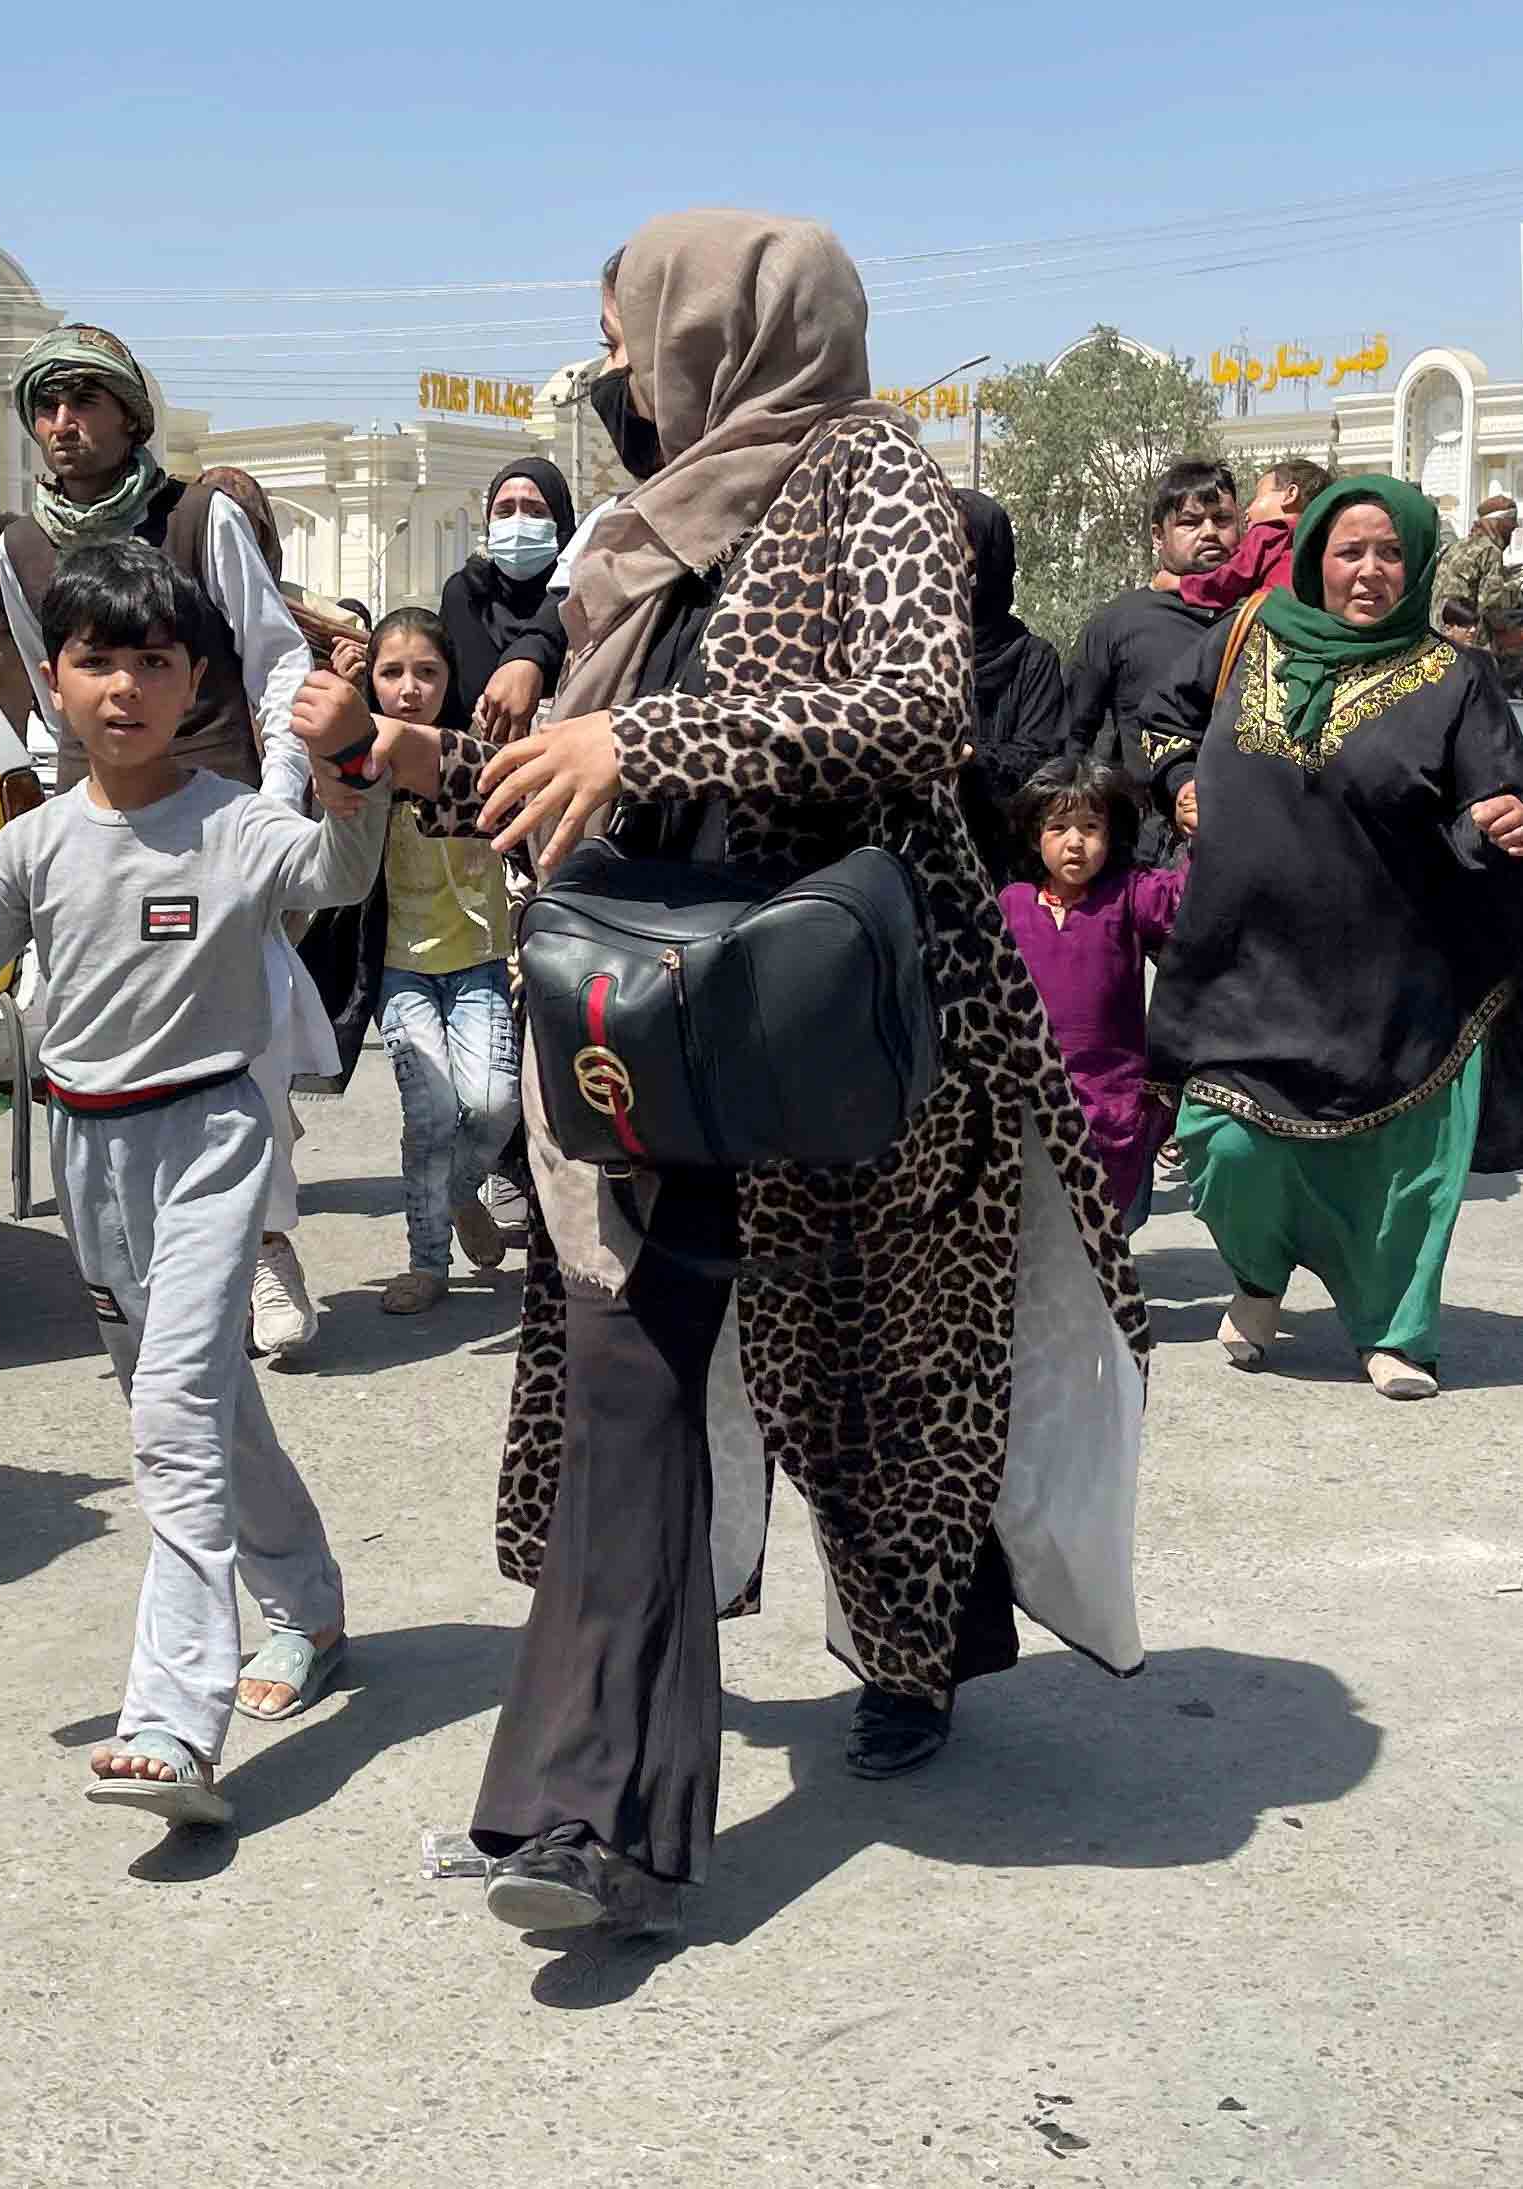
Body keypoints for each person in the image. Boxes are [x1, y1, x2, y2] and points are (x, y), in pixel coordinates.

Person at [351, 213, 1147, 1935]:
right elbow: (582, 755)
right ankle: (582, 1807)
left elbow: (918, 712)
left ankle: (920, 1649)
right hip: (640, 1000)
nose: (618, 363)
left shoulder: (870, 470)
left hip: (845, 1010)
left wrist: (644, 735)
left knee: (867, 1376)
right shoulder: (644, 527)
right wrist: (451, 759)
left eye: (629, 326)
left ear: (731, 321)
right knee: (620, 1380)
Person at [0, 541, 386, 1826]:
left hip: (210, 1143)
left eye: (154, 663)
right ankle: (306, 1605)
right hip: (92, 1161)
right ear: (54, 680)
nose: (124, 687)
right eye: (97, 660)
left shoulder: (234, 823)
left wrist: (347, 765)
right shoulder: (34, 846)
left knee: (171, 1420)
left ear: (193, 680)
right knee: (200, 1407)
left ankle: (170, 1718)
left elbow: (336, 874)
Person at [0, 324, 338, 1356]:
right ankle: (151, 1265)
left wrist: (273, 805)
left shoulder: (198, 514)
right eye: (45, 406)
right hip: (94, 828)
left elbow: (274, 659)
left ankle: (265, 1243)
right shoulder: (17, 547)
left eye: (84, 402)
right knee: (93, 1037)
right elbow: (47, 694)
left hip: (216, 811)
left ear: (129, 415)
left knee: (248, 1034)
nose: (62, 424)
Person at [1138, 474, 1523, 1400]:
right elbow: (1160, 722)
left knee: (1398, 1164)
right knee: (1223, 1145)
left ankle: (1394, 1332)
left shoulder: (1454, 680)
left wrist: (1502, 821)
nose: (1369, 571)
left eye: (1390, 552)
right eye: (1350, 550)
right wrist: (1180, 779)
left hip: (1392, 974)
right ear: (1314, 555)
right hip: (1244, 959)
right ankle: (1260, 1279)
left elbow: (1487, 804)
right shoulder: (1248, 634)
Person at [356, 608, 521, 1313]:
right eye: (390, 672)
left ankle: (458, 1198)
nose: (409, 687)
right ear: (369, 679)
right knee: (430, 1114)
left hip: (479, 960)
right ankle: (427, 1263)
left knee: (491, 1104)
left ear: (450, 678)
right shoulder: (358, 764)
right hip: (400, 970)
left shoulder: (477, 755)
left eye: (426, 671)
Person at [997, 757, 1186, 1228]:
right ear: (1033, 835)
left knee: (1106, 1239)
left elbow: (1190, 897)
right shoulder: (1012, 905)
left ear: (1112, 834)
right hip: (1028, 1107)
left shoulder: (1130, 895)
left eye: (1090, 827)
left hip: (1114, 1109)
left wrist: (1195, 832)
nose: (1075, 842)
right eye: (1058, 827)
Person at [1068, 460, 1240, 860]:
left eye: (1222, 519)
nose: (1210, 532)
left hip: (1251, 844)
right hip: (1149, 855)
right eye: (1190, 522)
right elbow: (1075, 739)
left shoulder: (1262, 617)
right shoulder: (1118, 623)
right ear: (1157, 536)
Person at [951, 488, 1072, 882]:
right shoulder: (904, 652)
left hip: (1004, 869)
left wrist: (967, 756)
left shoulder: (1032, 659)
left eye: (963, 563)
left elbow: (1039, 764)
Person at [435, 457, 576, 742]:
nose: (518, 522)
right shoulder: (464, 595)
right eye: (505, 511)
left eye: (536, 512)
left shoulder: (583, 595)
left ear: (561, 524)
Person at [1179, 458, 1325, 614]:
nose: (1247, 511)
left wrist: (1181, 584)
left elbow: (1232, 577)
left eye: (1257, 497)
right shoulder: (1318, 541)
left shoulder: (1271, 531)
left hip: (1271, 619)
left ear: (1290, 495)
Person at [1431, 490, 1518, 641]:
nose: (1511, 531)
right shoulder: (1490, 550)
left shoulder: (1457, 546)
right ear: (1498, 524)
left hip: (1438, 631)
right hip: (1464, 638)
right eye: (1510, 527)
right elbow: (1491, 605)